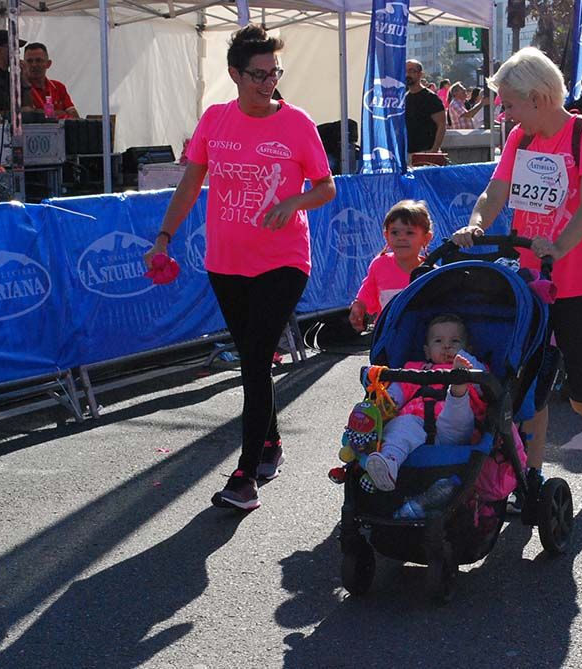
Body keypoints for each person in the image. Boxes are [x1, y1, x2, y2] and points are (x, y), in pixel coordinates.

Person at [142, 26, 336, 510]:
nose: (268, 82)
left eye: (274, 73)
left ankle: (245, 476)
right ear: (234, 74)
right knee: (254, 359)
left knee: (254, 358)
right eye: (258, 74)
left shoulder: (296, 123)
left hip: (283, 261)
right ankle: (269, 442)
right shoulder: (215, 120)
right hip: (226, 263)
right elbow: (189, 186)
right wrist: (163, 237)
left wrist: (292, 201)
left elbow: (326, 187)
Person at [452, 47, 582, 507]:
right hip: (529, 280)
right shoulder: (520, 140)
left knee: (581, 386)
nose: (504, 113)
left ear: (539, 96)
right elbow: (496, 190)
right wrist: (476, 223)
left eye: (509, 103)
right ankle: (532, 473)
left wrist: (560, 246)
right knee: (528, 381)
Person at [363, 315, 485, 491]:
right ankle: (389, 463)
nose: (447, 346)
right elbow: (397, 392)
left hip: (454, 427)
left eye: (455, 341)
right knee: (399, 427)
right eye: (438, 341)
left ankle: (458, 384)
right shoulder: (415, 369)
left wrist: (467, 361)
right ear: (427, 351)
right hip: (416, 420)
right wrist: (383, 407)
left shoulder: (472, 365)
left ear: (467, 348)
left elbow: (486, 389)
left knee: (458, 407)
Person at [349, 200, 434, 331]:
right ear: (386, 236)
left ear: (426, 238)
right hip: (387, 338)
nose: (401, 238)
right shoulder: (379, 265)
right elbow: (366, 295)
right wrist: (358, 308)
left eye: (409, 233)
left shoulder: (431, 273)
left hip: (421, 339)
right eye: (395, 233)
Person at [22, 42, 79, 119]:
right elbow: (30, 116)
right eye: (29, 61)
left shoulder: (58, 87)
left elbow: (75, 117)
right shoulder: (20, 89)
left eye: (38, 60)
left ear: (48, 64)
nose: (34, 65)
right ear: (23, 64)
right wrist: (60, 113)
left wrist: (41, 113)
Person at [405, 59, 447, 158]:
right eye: (406, 71)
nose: (408, 74)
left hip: (426, 152)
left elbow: (441, 124)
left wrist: (434, 151)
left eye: (412, 71)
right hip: (408, 153)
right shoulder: (404, 98)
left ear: (420, 74)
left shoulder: (430, 98)